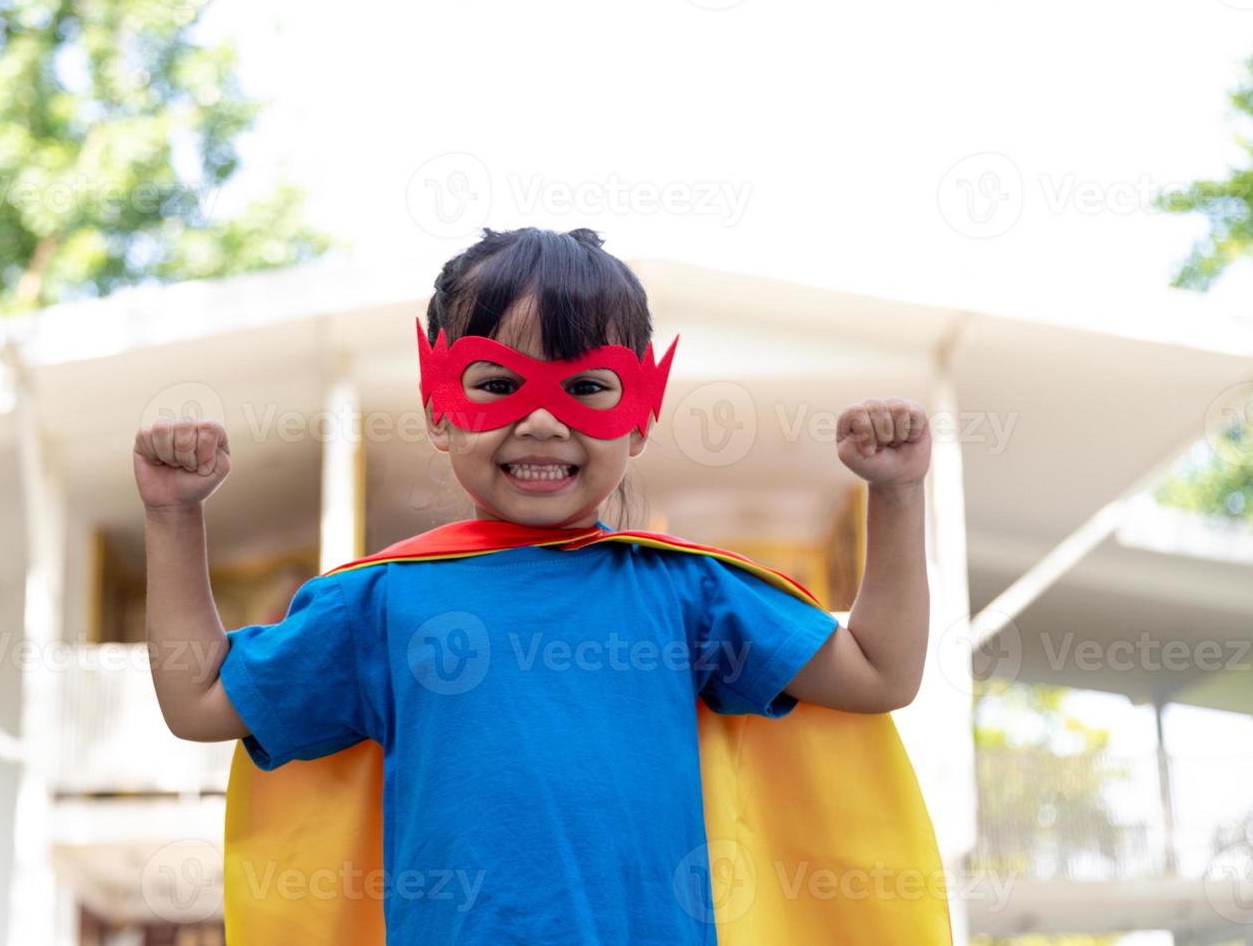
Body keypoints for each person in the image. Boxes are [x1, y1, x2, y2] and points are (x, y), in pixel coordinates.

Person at [133, 226, 946, 946]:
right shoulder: (383, 602)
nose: (544, 421)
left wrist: (898, 495)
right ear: (440, 409)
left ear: (639, 415)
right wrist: (174, 516)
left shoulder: (686, 590)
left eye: (588, 386)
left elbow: (881, 672)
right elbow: (199, 702)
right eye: (497, 384)